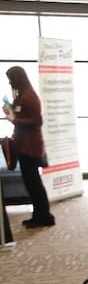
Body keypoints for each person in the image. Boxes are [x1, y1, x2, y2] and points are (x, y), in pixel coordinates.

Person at [3, 66, 55, 229]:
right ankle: (39, 215)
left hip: (30, 148)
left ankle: (44, 216)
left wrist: (14, 120)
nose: (10, 82)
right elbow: (22, 115)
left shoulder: (29, 97)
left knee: (34, 184)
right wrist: (10, 110)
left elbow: (37, 121)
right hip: (24, 146)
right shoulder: (22, 96)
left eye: (11, 78)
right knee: (32, 184)